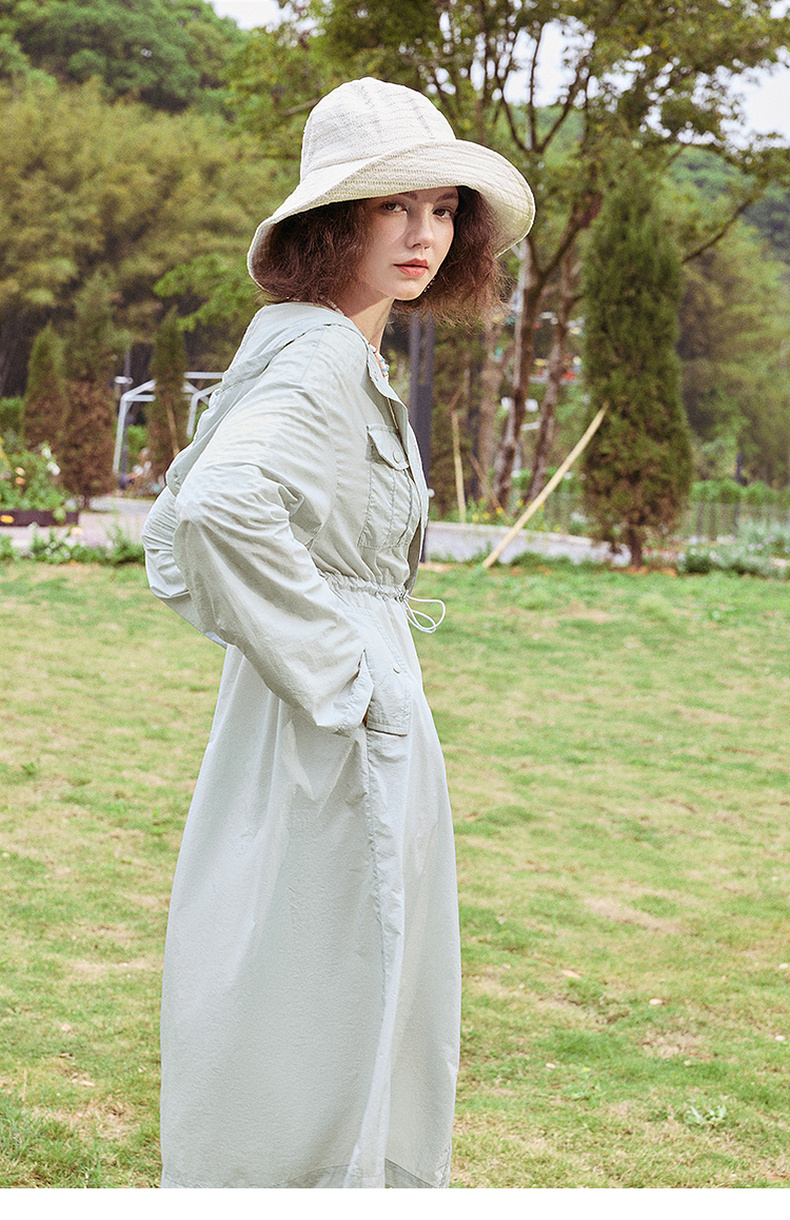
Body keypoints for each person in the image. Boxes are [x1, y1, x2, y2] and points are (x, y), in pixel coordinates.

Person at [141, 76, 534, 1190]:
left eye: (442, 208)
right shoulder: (318, 355)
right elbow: (217, 508)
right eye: (390, 206)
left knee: (303, 974)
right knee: (332, 985)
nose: (423, 234)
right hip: (334, 711)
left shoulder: (326, 347)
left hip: (311, 705)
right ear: (330, 223)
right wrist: (345, 671)